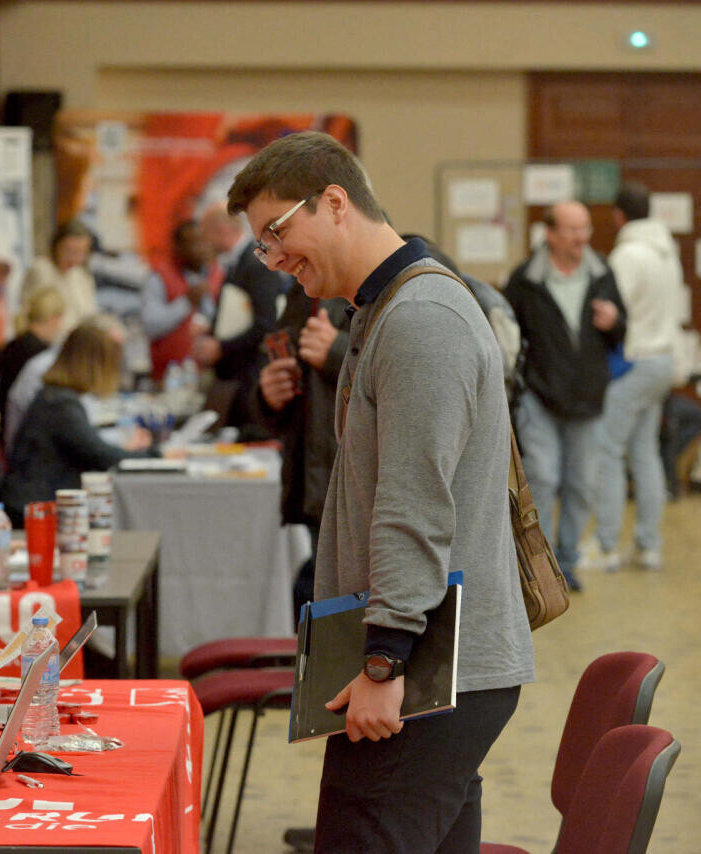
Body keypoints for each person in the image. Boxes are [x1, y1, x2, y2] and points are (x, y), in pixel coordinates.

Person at [227, 131, 534, 852]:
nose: (273, 258)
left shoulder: (421, 318)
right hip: (425, 663)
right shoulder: (381, 308)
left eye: (277, 233)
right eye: (261, 246)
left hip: (423, 668)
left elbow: (412, 505)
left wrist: (383, 660)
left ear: (335, 202)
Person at [505, 201, 626, 592]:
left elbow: (621, 330)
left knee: (581, 485)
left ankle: (568, 562)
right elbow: (508, 334)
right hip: (540, 396)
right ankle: (541, 566)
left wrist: (614, 321)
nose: (581, 237)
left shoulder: (602, 273)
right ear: (551, 234)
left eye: (585, 229)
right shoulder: (526, 279)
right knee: (542, 477)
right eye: (573, 230)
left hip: (587, 398)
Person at [588, 183, 684, 572]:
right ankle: (648, 546)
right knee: (644, 452)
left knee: (607, 450)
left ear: (618, 215)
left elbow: (611, 312)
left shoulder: (628, 255)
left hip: (634, 363)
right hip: (663, 362)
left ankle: (606, 546)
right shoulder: (667, 252)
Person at [253, 281, 350, 622]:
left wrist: (338, 351)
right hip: (316, 486)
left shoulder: (405, 272)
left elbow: (421, 369)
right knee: (321, 609)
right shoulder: (303, 284)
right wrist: (269, 396)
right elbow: (291, 372)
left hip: (360, 490)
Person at [0, 319, 154, 524]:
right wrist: (156, 456)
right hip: (35, 514)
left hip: (35, 507)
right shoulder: (60, 405)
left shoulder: (55, 397)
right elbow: (101, 455)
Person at [194, 204, 289, 434]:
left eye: (205, 234)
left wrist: (221, 347)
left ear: (222, 230)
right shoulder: (236, 263)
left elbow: (266, 325)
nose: (203, 243)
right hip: (236, 378)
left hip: (250, 380)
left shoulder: (256, 264)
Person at [141, 219, 222, 380]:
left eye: (204, 241)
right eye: (193, 243)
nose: (200, 249)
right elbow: (150, 325)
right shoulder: (160, 277)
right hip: (171, 375)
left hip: (213, 373)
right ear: (178, 247)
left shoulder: (220, 274)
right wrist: (186, 302)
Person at [0, 285, 67, 439]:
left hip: (9, 429)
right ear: (54, 318)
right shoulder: (43, 357)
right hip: (25, 436)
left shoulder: (9, 347)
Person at [19, 220, 98, 336]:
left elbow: (90, 314)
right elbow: (33, 314)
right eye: (69, 251)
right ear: (56, 246)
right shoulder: (41, 270)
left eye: (80, 252)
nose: (74, 258)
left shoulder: (82, 276)